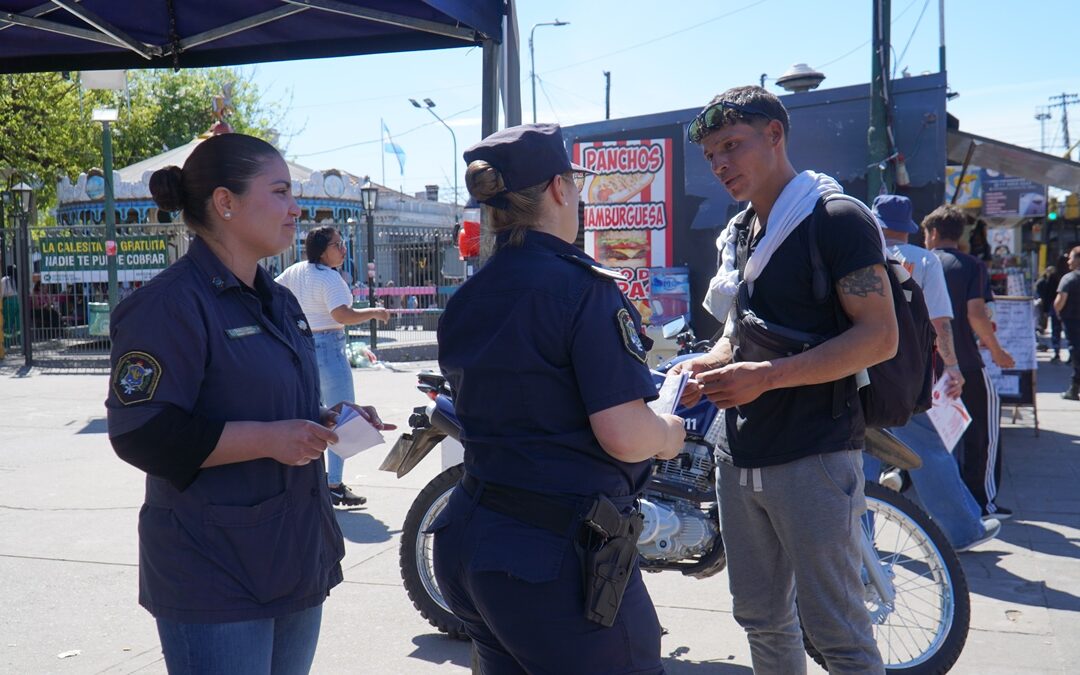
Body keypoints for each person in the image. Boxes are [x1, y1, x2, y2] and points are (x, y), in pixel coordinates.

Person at [105, 133, 391, 674]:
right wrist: (270, 439)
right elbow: (142, 432)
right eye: (280, 191)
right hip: (215, 572)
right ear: (225, 202)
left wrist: (329, 423)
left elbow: (276, 403)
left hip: (294, 557)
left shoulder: (279, 300)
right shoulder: (168, 306)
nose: (296, 207)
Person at [431, 123, 686, 674]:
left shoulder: (469, 296)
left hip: (472, 538)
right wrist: (668, 432)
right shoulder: (583, 288)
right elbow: (624, 433)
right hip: (552, 560)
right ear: (557, 189)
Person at [676, 85, 893, 674]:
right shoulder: (744, 229)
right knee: (762, 619)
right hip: (738, 449)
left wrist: (767, 377)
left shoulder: (837, 219)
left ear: (775, 136)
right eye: (711, 155)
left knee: (837, 632)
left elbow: (878, 337)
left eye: (731, 146)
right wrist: (710, 364)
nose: (720, 164)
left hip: (815, 455)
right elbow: (739, 330)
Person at [868, 195, 1000, 552]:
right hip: (907, 373)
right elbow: (939, 322)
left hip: (859, 369)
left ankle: (858, 542)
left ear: (876, 224)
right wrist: (952, 367)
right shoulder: (923, 260)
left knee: (860, 452)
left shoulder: (861, 256)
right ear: (909, 228)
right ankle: (962, 530)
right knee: (929, 450)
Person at [276, 226, 390, 506]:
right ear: (322, 250)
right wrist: (375, 312)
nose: (343, 249)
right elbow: (341, 314)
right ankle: (334, 483)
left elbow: (273, 291)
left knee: (309, 412)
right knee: (342, 416)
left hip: (302, 344)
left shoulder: (296, 270)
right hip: (329, 345)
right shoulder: (329, 278)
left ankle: (310, 480)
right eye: (337, 245)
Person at [924, 204, 1016, 519]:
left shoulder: (916, 263)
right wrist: (998, 350)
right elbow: (976, 313)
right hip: (965, 364)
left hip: (923, 369)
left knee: (934, 438)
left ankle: (936, 505)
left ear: (932, 233)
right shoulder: (970, 265)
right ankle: (982, 503)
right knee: (983, 435)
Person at [1053, 245, 1080, 400]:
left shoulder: (1069, 279)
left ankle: (1074, 388)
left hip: (1073, 322)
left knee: (1076, 353)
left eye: (1070, 257)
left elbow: (1060, 301)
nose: (1068, 261)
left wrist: (1057, 312)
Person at [1036, 265, 1063, 362]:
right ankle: (1057, 350)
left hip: (1052, 306)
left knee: (1055, 329)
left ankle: (1056, 351)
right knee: (1057, 329)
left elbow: (1045, 296)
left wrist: (1045, 310)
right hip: (1059, 307)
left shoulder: (1043, 282)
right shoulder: (1059, 281)